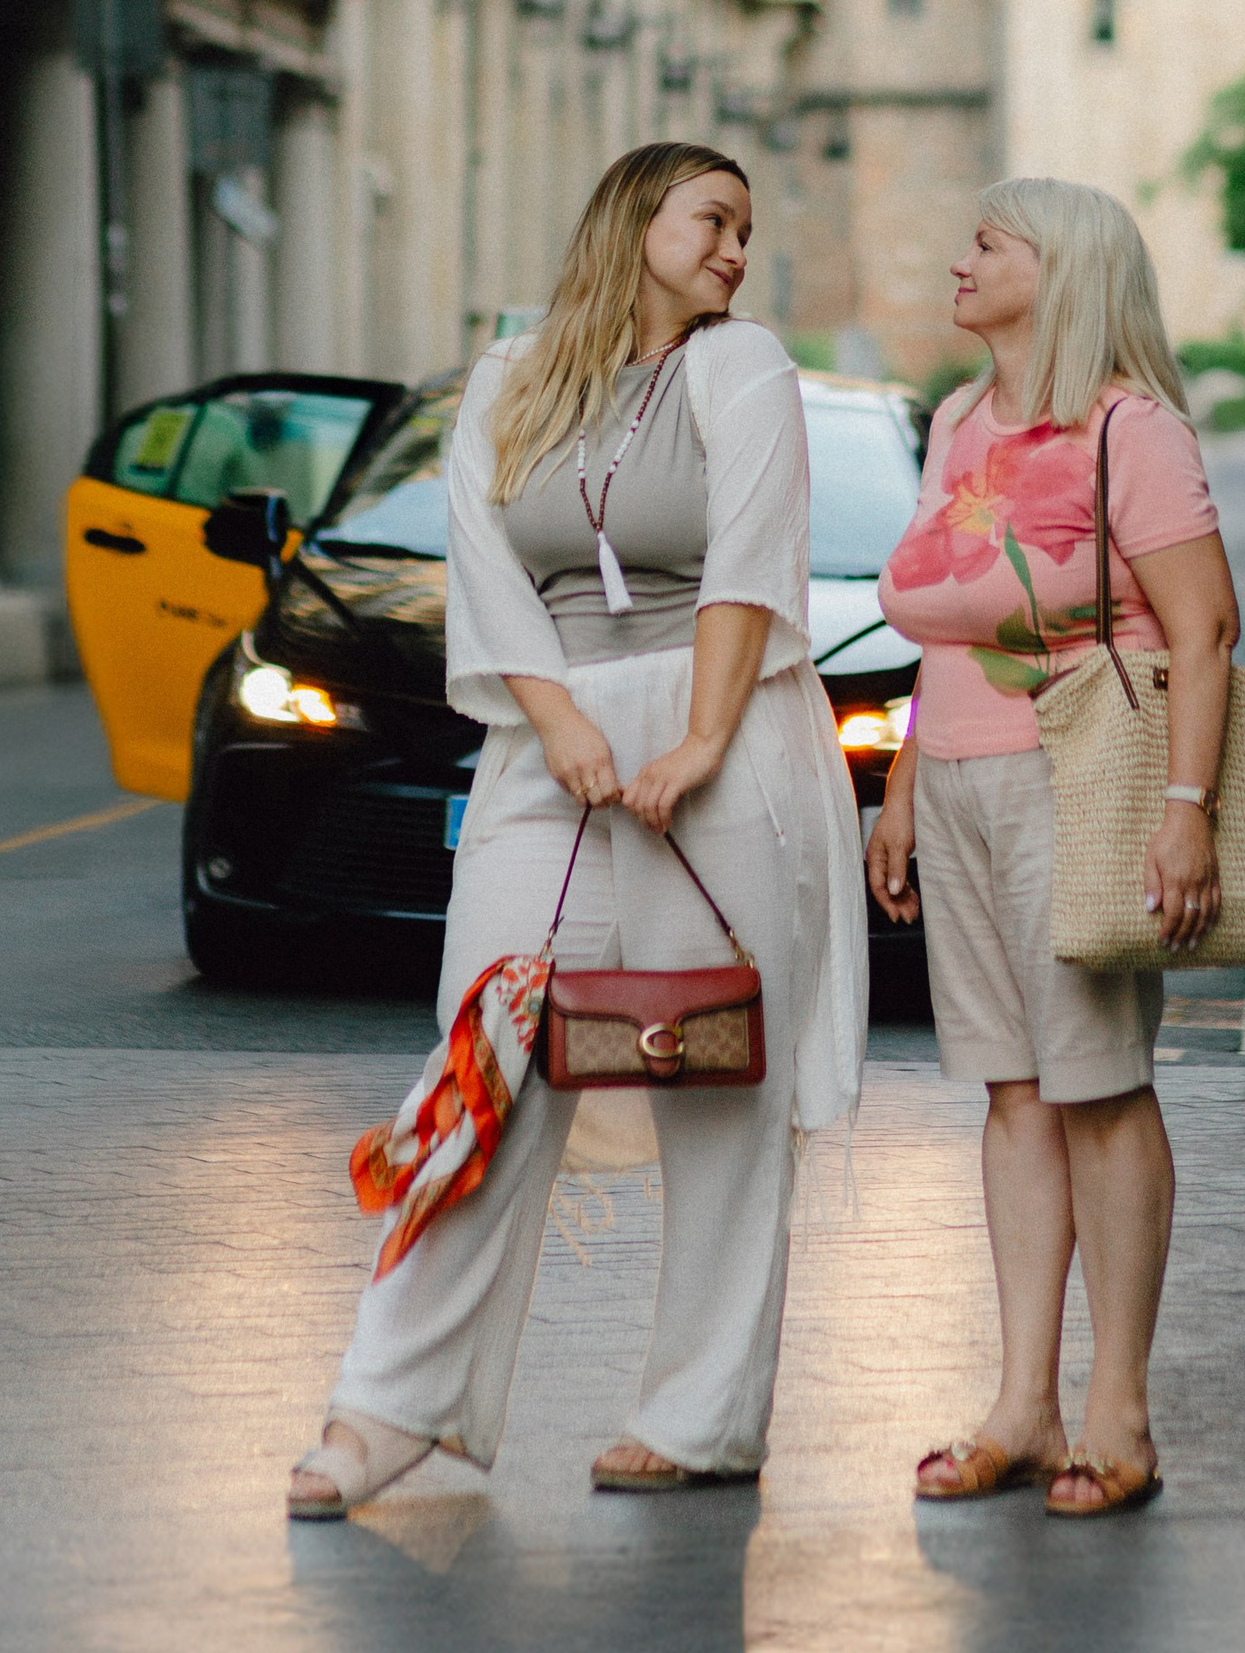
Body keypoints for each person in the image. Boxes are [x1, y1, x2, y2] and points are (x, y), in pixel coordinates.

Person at [289, 142, 867, 1517]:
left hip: (727, 736)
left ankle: (700, 1416)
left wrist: (700, 746)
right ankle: (391, 1409)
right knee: (485, 1060)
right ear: (632, 216)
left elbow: (751, 562)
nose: (736, 250)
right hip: (548, 737)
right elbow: (484, 577)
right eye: (712, 220)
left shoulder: (746, 368)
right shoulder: (510, 379)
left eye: (746, 230)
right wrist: (562, 730)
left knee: (722, 1075)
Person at [864, 176, 1240, 1521]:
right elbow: (947, 621)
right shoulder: (960, 417)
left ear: (1062, 271)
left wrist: (1184, 807)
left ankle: (1116, 1413)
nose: (955, 262)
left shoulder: (1126, 430)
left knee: (1096, 1084)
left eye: (986, 244)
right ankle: (1019, 1406)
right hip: (959, 781)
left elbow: (1202, 627)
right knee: (1012, 1091)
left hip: (1083, 787)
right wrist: (906, 777)